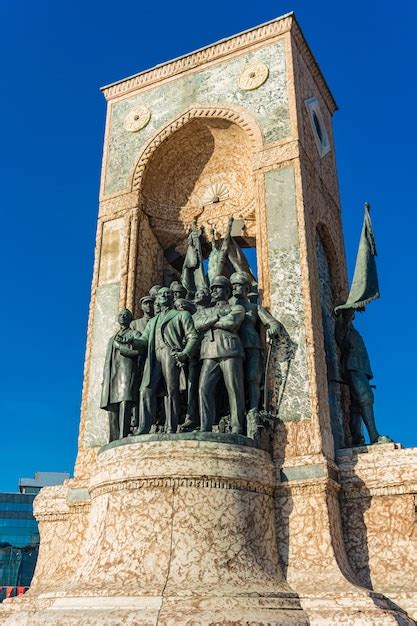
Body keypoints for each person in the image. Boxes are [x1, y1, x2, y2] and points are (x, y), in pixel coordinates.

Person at [132, 287, 198, 435]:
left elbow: (192, 336)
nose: (164, 296)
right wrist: (132, 341)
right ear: (157, 299)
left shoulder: (182, 315)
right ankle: (144, 426)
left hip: (170, 353)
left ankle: (171, 426)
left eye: (167, 294)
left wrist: (184, 353)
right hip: (154, 356)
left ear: (172, 298)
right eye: (161, 294)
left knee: (171, 390)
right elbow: (144, 340)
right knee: (146, 390)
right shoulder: (153, 321)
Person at [194, 276, 246, 434]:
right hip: (209, 353)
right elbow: (196, 325)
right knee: (203, 389)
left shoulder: (236, 308)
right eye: (212, 288)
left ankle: (237, 425)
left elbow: (232, 323)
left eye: (218, 287)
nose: (213, 291)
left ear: (227, 291)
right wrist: (217, 317)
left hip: (230, 350)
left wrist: (208, 322)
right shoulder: (207, 310)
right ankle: (205, 426)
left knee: (234, 388)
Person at [335, 309, 391, 445]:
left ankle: (356, 438)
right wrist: (354, 304)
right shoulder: (342, 327)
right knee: (366, 398)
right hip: (352, 366)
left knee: (356, 405)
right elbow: (347, 315)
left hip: (359, 367)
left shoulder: (351, 330)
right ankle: (374, 437)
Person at [230, 272, 282, 415]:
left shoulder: (254, 307)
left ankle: (253, 408)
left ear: (246, 288)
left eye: (238, 286)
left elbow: (272, 322)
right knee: (233, 379)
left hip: (251, 344)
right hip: (231, 346)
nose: (235, 288)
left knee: (253, 377)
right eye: (233, 285)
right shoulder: (225, 306)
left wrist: (272, 327)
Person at [100, 309, 139, 442]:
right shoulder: (112, 338)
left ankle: (123, 436)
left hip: (126, 372)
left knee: (125, 402)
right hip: (112, 375)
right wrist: (105, 379)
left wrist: (121, 347)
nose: (123, 317)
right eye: (121, 315)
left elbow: (139, 351)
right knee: (112, 407)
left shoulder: (134, 334)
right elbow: (107, 360)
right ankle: (113, 439)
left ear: (130, 319)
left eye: (126, 315)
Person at [181, 287, 212, 431]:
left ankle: (211, 419)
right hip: (193, 356)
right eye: (198, 293)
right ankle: (191, 417)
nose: (199, 295)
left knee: (209, 389)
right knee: (193, 387)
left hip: (211, 353)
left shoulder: (212, 311)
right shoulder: (191, 317)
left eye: (203, 293)